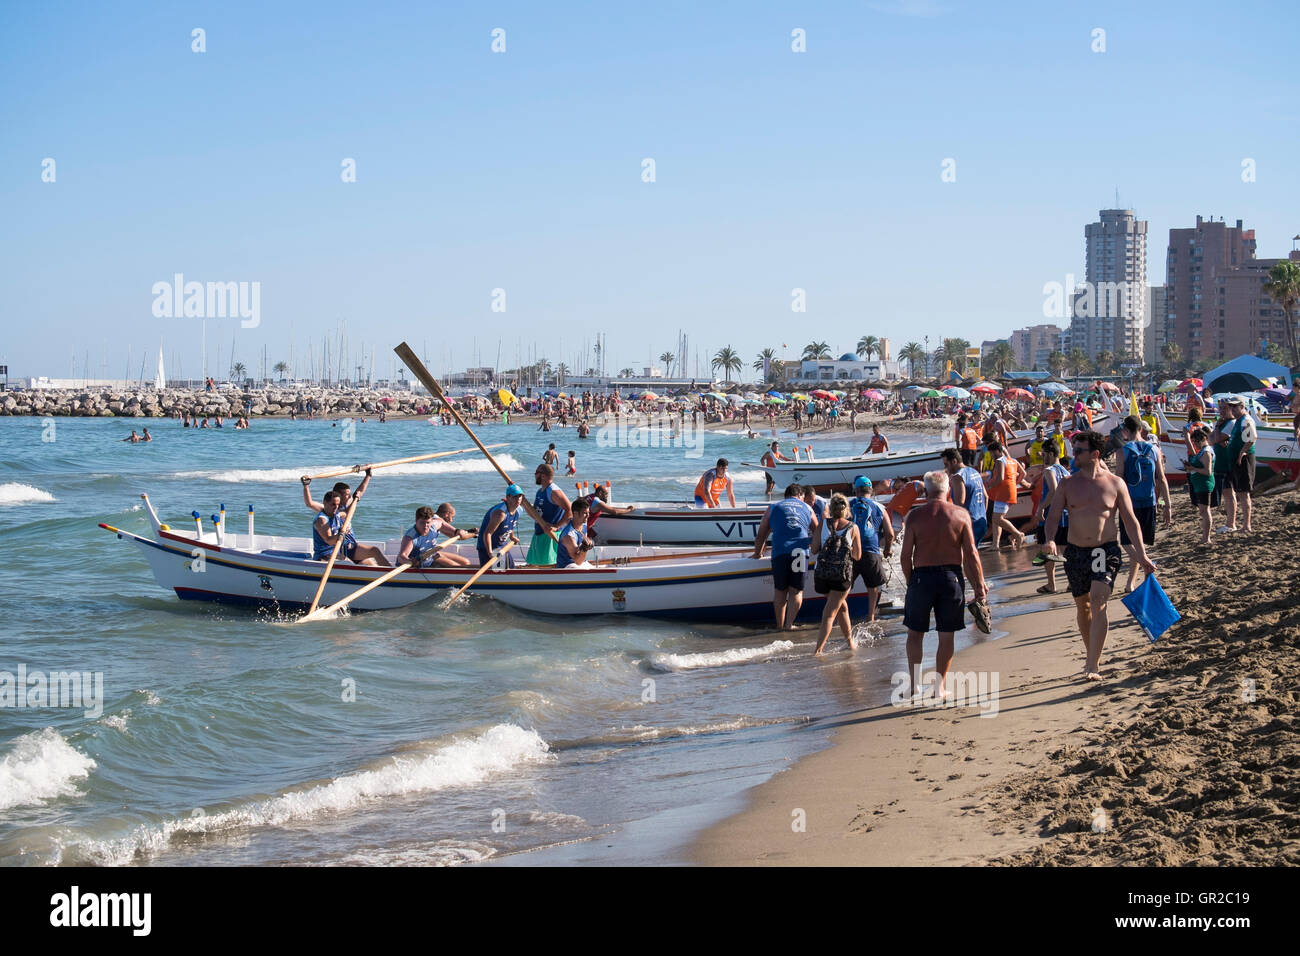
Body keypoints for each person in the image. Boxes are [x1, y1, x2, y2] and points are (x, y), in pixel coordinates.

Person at [1043, 430, 1156, 681]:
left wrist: (1142, 555)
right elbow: (1052, 518)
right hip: (1075, 552)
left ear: (1094, 454)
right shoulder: (1067, 484)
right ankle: (1092, 653)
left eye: (1079, 450)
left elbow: (1130, 521)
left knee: (1098, 597)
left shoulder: (1115, 483)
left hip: (1104, 550)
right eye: (1074, 449)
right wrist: (1050, 540)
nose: (1074, 454)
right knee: (1083, 606)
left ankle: (1092, 665)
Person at [899, 470, 988, 701]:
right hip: (951, 576)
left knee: (915, 633)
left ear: (926, 490)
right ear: (948, 489)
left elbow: (905, 555)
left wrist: (911, 581)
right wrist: (979, 585)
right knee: (946, 635)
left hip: (921, 577)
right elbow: (971, 554)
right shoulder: (960, 514)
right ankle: (939, 687)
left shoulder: (915, 517)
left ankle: (914, 686)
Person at [750, 483, 817, 631]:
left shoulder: (773, 507)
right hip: (800, 552)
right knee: (796, 591)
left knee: (780, 591)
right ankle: (789, 625)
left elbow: (761, 534)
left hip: (780, 552)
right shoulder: (807, 508)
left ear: (786, 495)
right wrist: (816, 549)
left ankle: (779, 626)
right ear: (801, 496)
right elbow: (818, 532)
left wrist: (757, 553)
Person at [1116, 414, 1171, 593]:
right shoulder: (1153, 449)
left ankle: (1146, 565)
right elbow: (1161, 479)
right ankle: (1132, 582)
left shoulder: (1123, 450)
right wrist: (1167, 505)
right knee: (1141, 544)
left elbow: (1119, 480)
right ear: (1141, 429)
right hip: (1150, 501)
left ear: (1126, 430)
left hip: (1129, 503)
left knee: (1127, 542)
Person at [810, 493, 862, 655]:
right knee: (830, 613)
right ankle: (818, 651)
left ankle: (850, 642)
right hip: (841, 576)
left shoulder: (823, 524)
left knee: (842, 607)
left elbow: (814, 550)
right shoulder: (853, 527)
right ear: (846, 509)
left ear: (831, 509)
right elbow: (857, 556)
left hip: (822, 575)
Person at [848, 475, 893, 622]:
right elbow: (890, 534)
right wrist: (887, 549)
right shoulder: (880, 507)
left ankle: (839, 613)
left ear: (856, 491)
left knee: (844, 586)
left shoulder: (847, 504)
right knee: (873, 587)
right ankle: (871, 616)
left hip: (851, 550)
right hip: (870, 551)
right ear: (871, 491)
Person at [312, 490, 390, 566]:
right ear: (324, 503)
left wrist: (355, 499)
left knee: (371, 559)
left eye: (337, 505)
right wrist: (341, 533)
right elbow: (329, 541)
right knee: (352, 565)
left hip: (337, 553)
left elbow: (347, 513)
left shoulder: (337, 514)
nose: (336, 507)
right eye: (333, 504)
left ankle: (390, 572)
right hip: (324, 556)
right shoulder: (322, 520)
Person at [1031, 444, 1069, 593]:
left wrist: (1041, 507)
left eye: (1045, 453)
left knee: (1046, 548)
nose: (1042, 456)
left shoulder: (1049, 470)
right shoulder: (1065, 470)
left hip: (1050, 514)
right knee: (1065, 550)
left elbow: (1053, 490)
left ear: (1052, 454)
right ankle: (1072, 581)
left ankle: (1051, 584)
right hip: (1065, 515)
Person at [940, 448, 987, 547]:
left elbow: (960, 504)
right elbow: (986, 497)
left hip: (969, 524)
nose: (946, 468)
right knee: (973, 556)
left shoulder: (958, 477)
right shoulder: (974, 472)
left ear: (954, 461)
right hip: (981, 522)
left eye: (946, 465)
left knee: (963, 557)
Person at [1223, 396, 1257, 533]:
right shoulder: (1239, 421)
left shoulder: (1246, 420)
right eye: (1231, 407)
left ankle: (1246, 525)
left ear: (1242, 407)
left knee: (1244, 493)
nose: (1233, 409)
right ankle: (1244, 524)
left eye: (1235, 407)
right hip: (1238, 459)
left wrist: (1242, 452)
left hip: (1244, 459)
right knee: (1240, 492)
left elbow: (1252, 438)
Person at [526, 462, 570, 566]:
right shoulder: (540, 491)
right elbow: (535, 514)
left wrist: (556, 526)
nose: (534, 474)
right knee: (534, 565)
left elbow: (569, 511)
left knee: (546, 567)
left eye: (536, 472)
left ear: (543, 476)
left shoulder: (553, 491)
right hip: (539, 534)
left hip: (550, 537)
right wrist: (524, 504)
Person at [399, 505, 471, 567]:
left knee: (466, 562)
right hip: (420, 562)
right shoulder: (410, 538)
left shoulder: (434, 525)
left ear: (431, 521)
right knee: (456, 567)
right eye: (422, 522)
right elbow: (401, 557)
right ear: (416, 521)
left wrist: (458, 531)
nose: (425, 526)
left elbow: (444, 524)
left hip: (432, 555)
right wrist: (409, 561)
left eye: (428, 522)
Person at [985, 441, 1026, 550]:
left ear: (997, 451)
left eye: (992, 453)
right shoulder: (1013, 460)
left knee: (997, 518)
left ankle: (1018, 534)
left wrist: (989, 486)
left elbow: (1000, 478)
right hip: (1009, 491)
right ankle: (995, 544)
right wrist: (1014, 483)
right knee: (996, 519)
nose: (991, 456)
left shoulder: (999, 461)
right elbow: (1023, 474)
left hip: (1003, 492)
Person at [477, 484, 525, 568]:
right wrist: (490, 553)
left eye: (520, 496)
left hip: (502, 546)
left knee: (511, 568)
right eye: (515, 497)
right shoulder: (500, 514)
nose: (518, 499)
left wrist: (512, 537)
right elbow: (487, 533)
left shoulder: (519, 510)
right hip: (488, 547)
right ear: (508, 497)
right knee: (496, 575)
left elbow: (510, 525)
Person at [1182, 430, 1215, 546]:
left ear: (1203, 439)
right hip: (1199, 484)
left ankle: (1206, 538)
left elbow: (1208, 471)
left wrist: (1193, 468)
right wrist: (1190, 466)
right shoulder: (1202, 451)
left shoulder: (1206, 452)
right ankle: (1205, 536)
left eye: (1196, 441)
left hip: (1204, 484)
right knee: (1203, 511)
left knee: (1205, 511)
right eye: (1194, 441)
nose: (1195, 444)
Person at [555, 498, 597, 569]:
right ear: (575, 513)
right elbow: (578, 561)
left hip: (580, 562)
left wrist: (589, 543)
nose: (588, 515)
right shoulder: (568, 536)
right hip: (567, 566)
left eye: (588, 512)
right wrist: (585, 548)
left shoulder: (583, 524)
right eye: (585, 513)